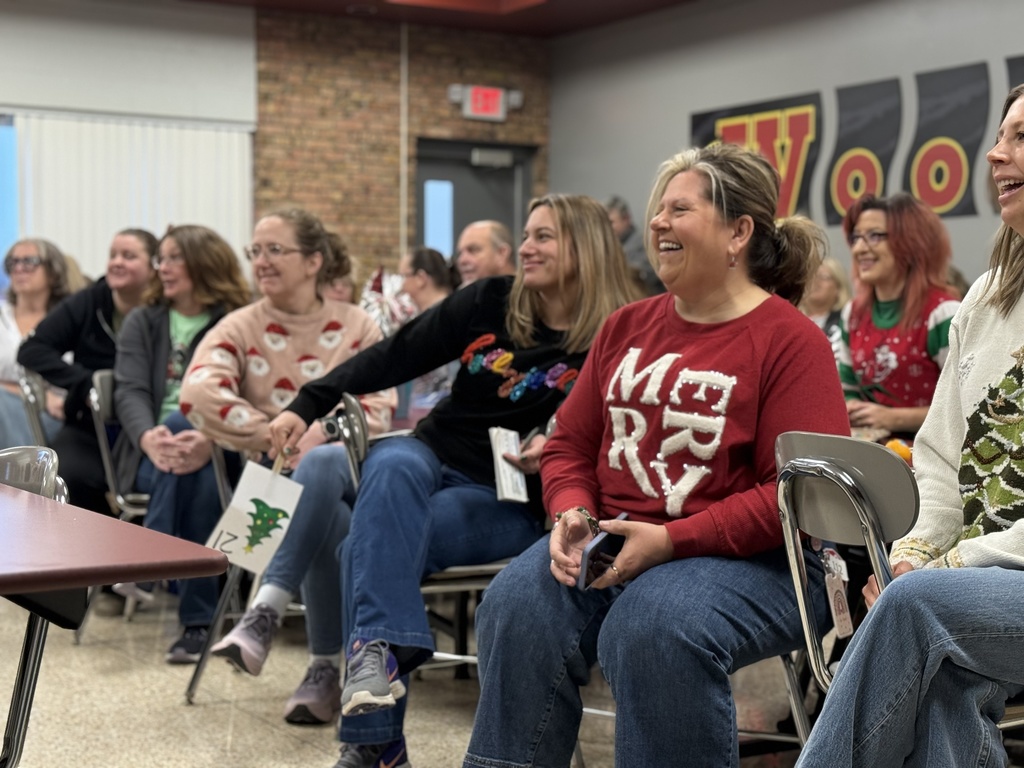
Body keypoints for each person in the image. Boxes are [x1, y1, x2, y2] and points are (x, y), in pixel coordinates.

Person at [462, 143, 850, 768]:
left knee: (651, 627)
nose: (658, 224)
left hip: (758, 560)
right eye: (657, 211)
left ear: (737, 232)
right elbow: (569, 444)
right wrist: (570, 510)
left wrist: (673, 541)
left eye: (679, 209)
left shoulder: (791, 342)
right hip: (616, 539)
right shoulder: (625, 326)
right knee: (515, 603)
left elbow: (797, 495)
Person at [267, 194, 638, 768]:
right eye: (526, 234)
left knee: (357, 551)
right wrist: (308, 403)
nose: (526, 247)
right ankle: (389, 667)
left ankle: (375, 744)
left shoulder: (617, 334)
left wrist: (563, 450)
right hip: (431, 457)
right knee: (390, 462)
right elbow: (396, 354)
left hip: (507, 495)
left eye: (544, 237)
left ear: (586, 248)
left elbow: (623, 435)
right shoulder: (492, 300)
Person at [793, 83, 1024, 768]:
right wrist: (918, 550)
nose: (993, 152)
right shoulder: (987, 297)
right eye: (1001, 134)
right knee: (943, 679)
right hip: (985, 583)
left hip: (984, 577)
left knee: (916, 610)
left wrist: (940, 569)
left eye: (1021, 137)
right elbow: (942, 459)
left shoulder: (943, 309)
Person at [179, 208, 395, 717]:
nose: (261, 261)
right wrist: (277, 433)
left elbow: (380, 407)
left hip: (352, 479)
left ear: (314, 260)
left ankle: (263, 612)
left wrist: (316, 430)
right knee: (323, 504)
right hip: (270, 488)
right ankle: (324, 670)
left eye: (275, 249)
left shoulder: (357, 325)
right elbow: (196, 393)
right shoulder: (240, 325)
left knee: (322, 465)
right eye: (256, 250)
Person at [112, 225, 251, 662]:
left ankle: (149, 561)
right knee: (195, 470)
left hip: (228, 445)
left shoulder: (238, 318)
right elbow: (129, 390)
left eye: (173, 258)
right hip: (156, 453)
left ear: (202, 264)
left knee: (186, 422)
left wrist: (209, 437)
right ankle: (197, 625)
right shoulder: (144, 318)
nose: (163, 268)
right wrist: (147, 437)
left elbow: (248, 394)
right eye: (161, 259)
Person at [18, 228, 158, 515]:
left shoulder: (163, 310)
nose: (116, 262)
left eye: (129, 256)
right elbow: (32, 349)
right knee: (68, 474)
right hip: (90, 425)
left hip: (149, 422)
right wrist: (85, 383)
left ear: (153, 266)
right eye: (113, 255)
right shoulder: (90, 300)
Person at [837, 193, 960, 441]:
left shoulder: (943, 314)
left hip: (930, 462)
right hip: (870, 458)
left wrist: (894, 418)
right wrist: (851, 408)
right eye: (856, 237)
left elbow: (964, 404)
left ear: (911, 242)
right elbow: (847, 389)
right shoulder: (852, 314)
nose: (860, 248)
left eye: (874, 236)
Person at [0, 238, 72, 449]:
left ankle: (17, 478)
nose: (19, 268)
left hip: (54, 414)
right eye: (13, 263)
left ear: (53, 271)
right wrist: (34, 393)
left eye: (29, 261)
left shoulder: (68, 320)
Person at [397, 246, 458, 423]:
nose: (402, 285)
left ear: (421, 278)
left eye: (404, 276)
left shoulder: (448, 317)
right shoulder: (424, 320)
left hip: (445, 421)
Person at [605, 193, 663, 296]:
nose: (608, 228)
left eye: (611, 222)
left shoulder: (644, 242)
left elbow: (641, 277)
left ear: (626, 219)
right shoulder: (610, 246)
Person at [453, 220, 515, 285]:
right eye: (459, 254)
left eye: (473, 250)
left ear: (502, 253)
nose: (462, 261)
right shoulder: (459, 293)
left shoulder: (524, 293)